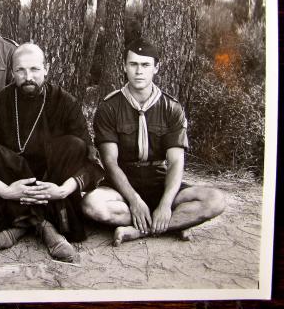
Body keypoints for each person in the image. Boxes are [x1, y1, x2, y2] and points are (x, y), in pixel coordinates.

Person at [81, 38, 225, 246]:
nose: (139, 71)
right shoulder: (109, 107)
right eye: (133, 64)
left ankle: (139, 230)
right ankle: (173, 224)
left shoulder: (171, 108)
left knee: (215, 200)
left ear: (156, 68)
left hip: (159, 182)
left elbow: (175, 162)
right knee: (91, 205)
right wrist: (134, 201)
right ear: (124, 66)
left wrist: (166, 204)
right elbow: (110, 162)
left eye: (145, 65)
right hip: (122, 185)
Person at [0, 43, 104, 262]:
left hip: (53, 183)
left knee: (75, 145)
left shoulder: (66, 103)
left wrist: (64, 190)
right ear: (12, 72)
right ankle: (45, 225)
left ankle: (23, 224)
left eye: (35, 69)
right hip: (13, 181)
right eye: (21, 70)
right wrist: (7, 191)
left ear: (47, 68)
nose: (28, 77)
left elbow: (91, 159)